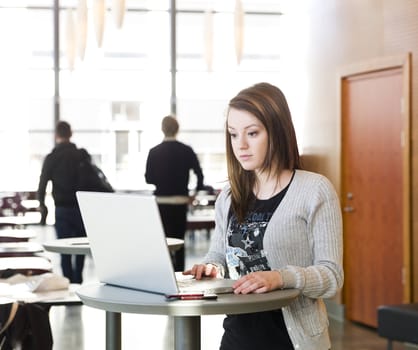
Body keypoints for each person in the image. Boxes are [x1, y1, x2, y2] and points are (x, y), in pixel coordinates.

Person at [183, 82, 343, 349]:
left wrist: (281, 277)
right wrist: (211, 267)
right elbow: (219, 256)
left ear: (277, 131)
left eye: (252, 133)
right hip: (237, 336)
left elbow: (331, 277)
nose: (240, 145)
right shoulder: (229, 196)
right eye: (233, 135)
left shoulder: (314, 190)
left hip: (291, 340)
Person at [145, 115, 205, 271]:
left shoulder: (154, 152)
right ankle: (179, 273)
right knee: (179, 241)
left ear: (162, 129)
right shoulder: (186, 150)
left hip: (161, 202)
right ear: (177, 129)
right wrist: (195, 193)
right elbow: (199, 173)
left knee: (163, 240)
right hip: (180, 201)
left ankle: (165, 272)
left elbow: (148, 178)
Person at [37, 121, 87, 284]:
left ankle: (68, 283)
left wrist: (43, 207)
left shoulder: (52, 157)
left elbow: (42, 183)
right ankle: (78, 280)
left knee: (64, 249)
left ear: (56, 135)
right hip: (81, 209)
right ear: (71, 134)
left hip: (62, 209)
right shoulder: (81, 155)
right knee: (81, 248)